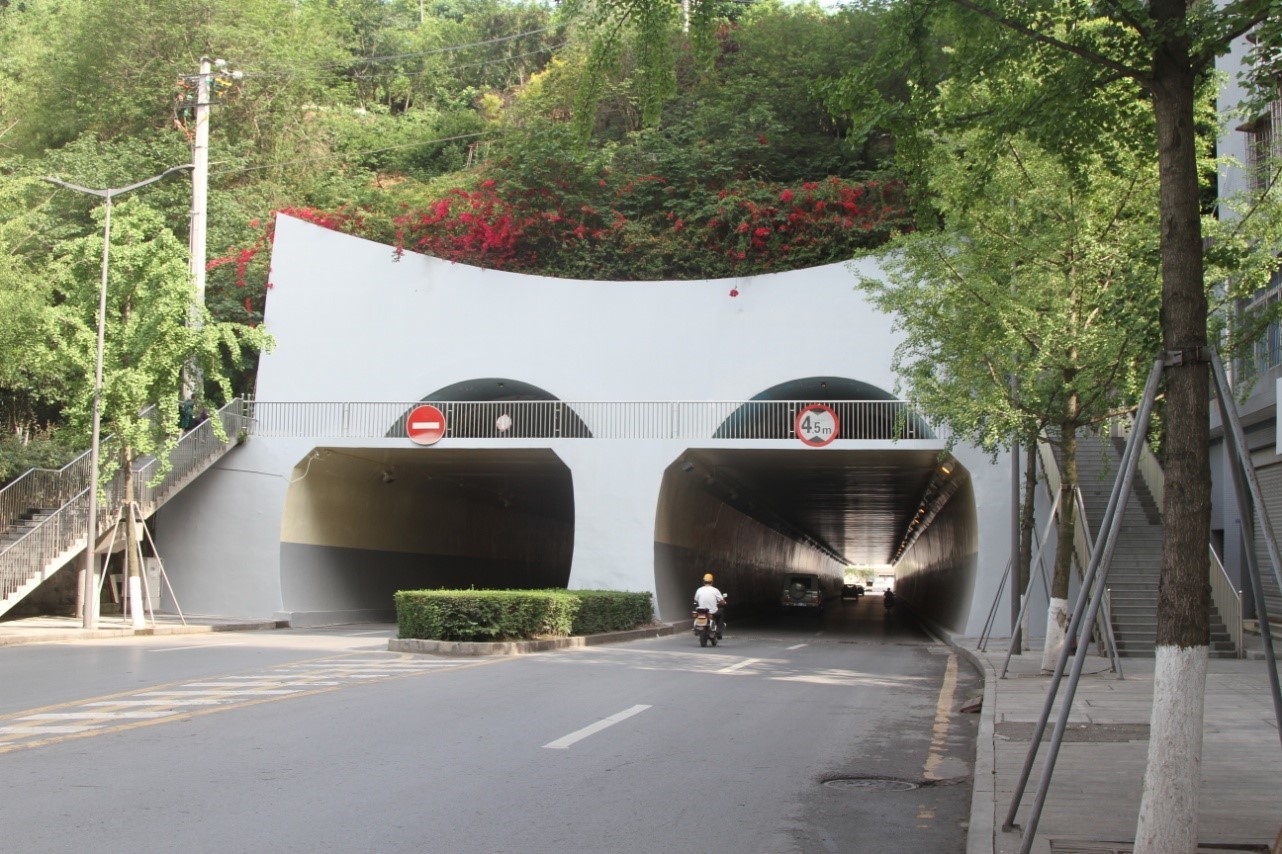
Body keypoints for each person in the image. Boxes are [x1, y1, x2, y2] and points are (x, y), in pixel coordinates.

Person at [693, 573, 727, 639]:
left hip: (701, 611)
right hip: (712, 612)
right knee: (721, 611)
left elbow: (695, 600)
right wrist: (724, 602)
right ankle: (719, 631)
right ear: (712, 582)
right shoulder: (715, 590)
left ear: (703, 581)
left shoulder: (699, 590)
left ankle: (697, 627)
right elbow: (721, 601)